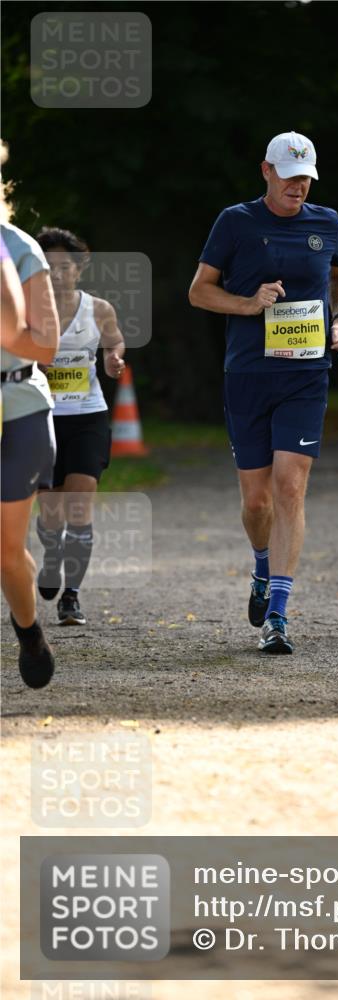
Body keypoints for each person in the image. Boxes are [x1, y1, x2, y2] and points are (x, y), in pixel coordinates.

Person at [189, 131, 338, 654]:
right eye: (289, 175)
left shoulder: (327, 223)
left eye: (306, 177)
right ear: (266, 171)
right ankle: (262, 566)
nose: (298, 186)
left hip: (306, 374)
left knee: (290, 487)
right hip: (248, 375)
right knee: (257, 500)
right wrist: (249, 302)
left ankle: (278, 615)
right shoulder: (235, 221)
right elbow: (198, 292)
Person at [33, 227, 126, 625]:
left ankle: (71, 595)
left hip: (88, 415)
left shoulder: (99, 308)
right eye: (49, 266)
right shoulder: (27, 310)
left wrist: (112, 361)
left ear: (79, 267)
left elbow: (114, 342)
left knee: (79, 505)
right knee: (51, 512)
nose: (56, 274)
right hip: (41, 416)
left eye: (64, 266)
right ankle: (52, 553)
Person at [1, 151, 61, 688]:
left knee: (5, 548)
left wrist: (3, 332)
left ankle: (28, 631)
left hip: (17, 406)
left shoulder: (19, 248)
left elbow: (47, 346)